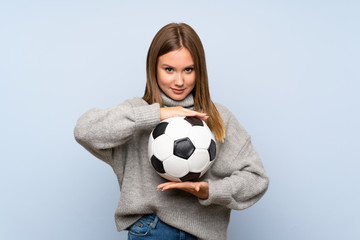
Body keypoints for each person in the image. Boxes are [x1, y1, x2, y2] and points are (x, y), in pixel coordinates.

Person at [74, 22, 269, 240]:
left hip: (206, 235)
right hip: (153, 230)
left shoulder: (218, 117)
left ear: (199, 70)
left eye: (188, 70)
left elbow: (256, 179)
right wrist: (156, 115)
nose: (179, 81)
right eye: (169, 69)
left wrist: (210, 191)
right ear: (153, 68)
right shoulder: (137, 113)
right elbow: (85, 130)